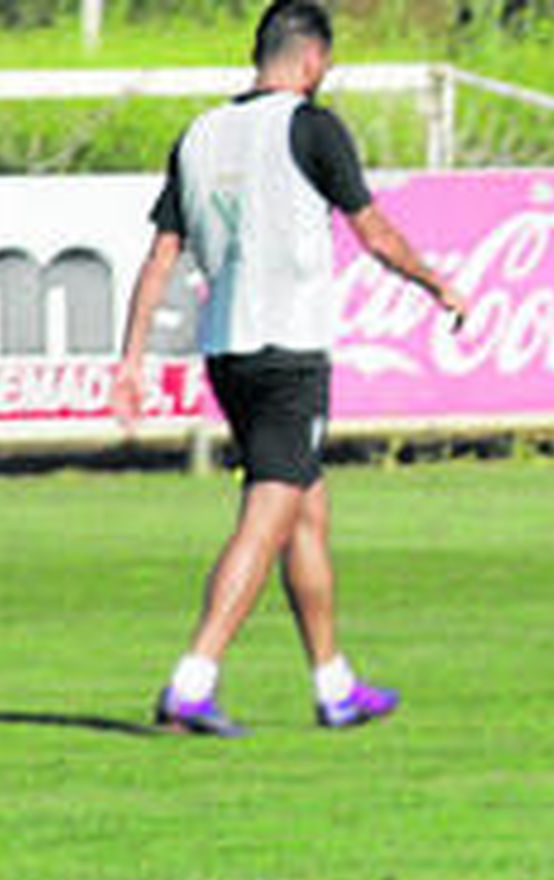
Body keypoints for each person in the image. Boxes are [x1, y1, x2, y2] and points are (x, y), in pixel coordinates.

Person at [112, 0, 469, 737]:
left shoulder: (201, 133)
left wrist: (131, 357)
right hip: (289, 353)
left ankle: (333, 682)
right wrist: (436, 284)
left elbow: (161, 256)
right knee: (271, 512)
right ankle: (193, 677)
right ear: (313, 61)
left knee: (307, 510)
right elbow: (374, 232)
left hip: (228, 352)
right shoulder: (311, 126)